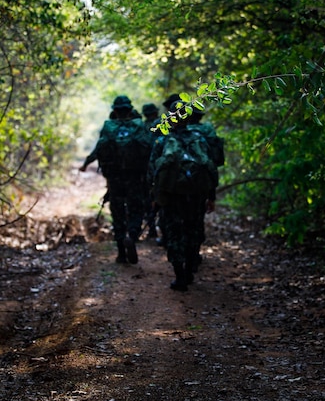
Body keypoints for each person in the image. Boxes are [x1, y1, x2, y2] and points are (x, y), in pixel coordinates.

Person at [149, 94, 223, 291]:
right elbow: (209, 166)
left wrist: (155, 197)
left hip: (171, 194)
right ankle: (190, 267)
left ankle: (180, 275)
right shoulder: (200, 139)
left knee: (173, 232)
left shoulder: (163, 140)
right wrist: (211, 197)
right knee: (194, 229)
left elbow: (153, 171)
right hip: (196, 193)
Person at [79, 95, 150, 264]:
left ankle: (121, 252)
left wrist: (86, 163)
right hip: (135, 177)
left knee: (117, 212)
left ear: (115, 111)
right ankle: (132, 236)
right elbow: (149, 150)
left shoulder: (109, 127)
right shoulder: (138, 126)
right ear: (130, 110)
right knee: (136, 209)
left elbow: (99, 149)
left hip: (114, 179)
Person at [141, 103, 161, 239]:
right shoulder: (163, 124)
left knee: (148, 200)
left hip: (145, 169)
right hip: (162, 167)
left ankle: (152, 227)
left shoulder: (141, 127)